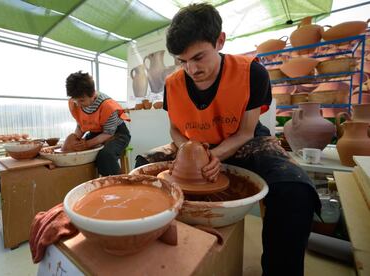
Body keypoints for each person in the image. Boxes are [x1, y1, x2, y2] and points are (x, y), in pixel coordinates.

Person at [134, 4, 320, 276]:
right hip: (196, 145)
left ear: (220, 40)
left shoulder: (251, 72)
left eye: (198, 57)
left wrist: (216, 156)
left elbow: (246, 131)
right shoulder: (173, 84)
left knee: (295, 190)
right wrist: (186, 148)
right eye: (182, 61)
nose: (191, 69)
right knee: (141, 168)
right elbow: (174, 129)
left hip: (244, 143)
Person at [65, 71, 131, 176]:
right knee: (76, 151)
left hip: (117, 133)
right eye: (75, 100)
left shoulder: (108, 106)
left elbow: (108, 133)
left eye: (82, 101)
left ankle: (117, 182)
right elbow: (80, 125)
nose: (78, 104)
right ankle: (89, 182)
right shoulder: (76, 103)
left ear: (92, 94)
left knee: (105, 155)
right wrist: (75, 140)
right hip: (95, 132)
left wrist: (87, 144)